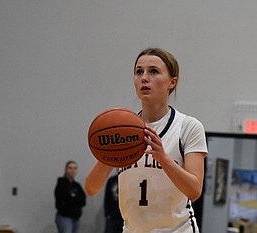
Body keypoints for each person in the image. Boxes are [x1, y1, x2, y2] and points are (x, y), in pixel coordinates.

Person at [85, 48, 208, 233]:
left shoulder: (188, 126)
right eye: (139, 71)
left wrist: (164, 159)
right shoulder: (123, 130)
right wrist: (107, 153)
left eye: (153, 71)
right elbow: (91, 188)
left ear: (172, 82)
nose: (144, 78)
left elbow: (194, 191)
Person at [54, 160, 86, 233]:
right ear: (66, 169)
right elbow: (65, 199)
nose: (72, 170)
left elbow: (83, 201)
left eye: (75, 168)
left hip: (76, 218)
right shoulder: (61, 183)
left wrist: (73, 199)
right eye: (70, 168)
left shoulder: (77, 185)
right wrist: (75, 200)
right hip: (64, 217)